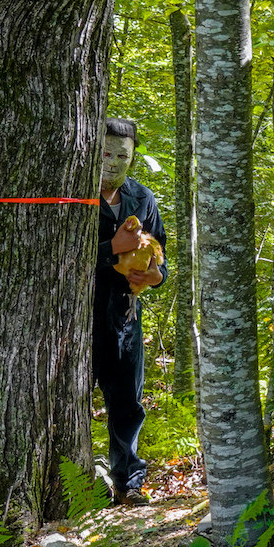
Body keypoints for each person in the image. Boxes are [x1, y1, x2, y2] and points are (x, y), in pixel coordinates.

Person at [96, 116, 165, 506]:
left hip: (124, 314)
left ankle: (128, 482)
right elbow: (55, 259)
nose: (114, 161)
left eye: (122, 154)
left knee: (127, 402)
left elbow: (161, 258)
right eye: (106, 152)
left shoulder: (142, 198)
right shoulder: (74, 194)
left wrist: (153, 277)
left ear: (133, 156)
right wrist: (112, 250)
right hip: (78, 314)